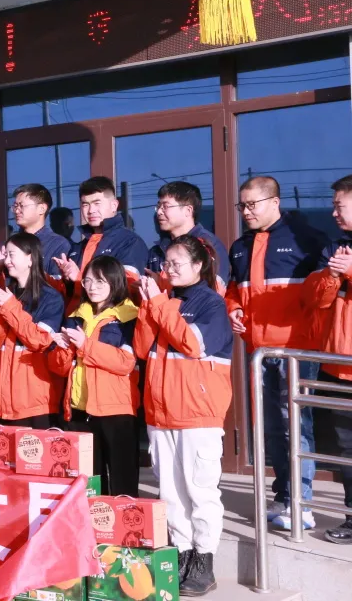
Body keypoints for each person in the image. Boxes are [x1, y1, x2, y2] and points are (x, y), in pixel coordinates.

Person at [227, 175, 329, 531]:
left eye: (252, 204)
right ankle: (284, 496)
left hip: (296, 349)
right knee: (271, 429)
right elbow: (233, 290)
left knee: (296, 426)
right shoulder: (240, 246)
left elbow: (323, 293)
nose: (246, 212)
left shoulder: (306, 240)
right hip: (258, 350)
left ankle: (302, 502)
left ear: (275, 202)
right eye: (242, 205)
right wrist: (233, 309)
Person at [135, 235, 233, 596]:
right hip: (161, 413)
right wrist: (148, 307)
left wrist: (159, 303)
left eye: (177, 263)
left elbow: (193, 344)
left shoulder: (211, 303)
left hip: (197, 413)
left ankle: (204, 562)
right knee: (171, 492)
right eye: (166, 263)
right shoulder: (163, 300)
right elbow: (142, 348)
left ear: (198, 266)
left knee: (199, 491)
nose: (169, 269)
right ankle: (182, 553)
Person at [49, 255, 140, 496]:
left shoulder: (129, 317)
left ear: (115, 281)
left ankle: (122, 520)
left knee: (122, 480)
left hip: (116, 408)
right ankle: (93, 518)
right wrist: (62, 348)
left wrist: (85, 345)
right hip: (79, 406)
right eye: (88, 281)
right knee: (91, 480)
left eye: (100, 281)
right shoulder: (76, 316)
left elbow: (125, 362)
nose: (92, 287)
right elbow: (59, 368)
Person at [304, 174, 352, 543]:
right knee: (347, 448)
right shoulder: (336, 248)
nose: (334, 212)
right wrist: (333, 276)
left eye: (340, 205)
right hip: (338, 365)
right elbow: (316, 300)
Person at [0, 233, 65, 429]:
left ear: (30, 258)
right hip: (1, 402)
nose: (7, 261)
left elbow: (38, 340)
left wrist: (10, 307)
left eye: (12, 255)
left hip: (35, 402)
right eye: (6, 255)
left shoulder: (50, 298)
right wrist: (0, 311)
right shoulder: (6, 294)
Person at [54, 176, 148, 311]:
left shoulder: (129, 242)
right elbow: (69, 296)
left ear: (114, 205)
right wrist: (67, 280)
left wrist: (78, 278)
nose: (91, 210)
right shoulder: (78, 247)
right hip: (76, 319)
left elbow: (126, 287)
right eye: (85, 204)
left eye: (97, 203)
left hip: (111, 321)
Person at [148, 181, 230, 292]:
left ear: (188, 210)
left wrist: (161, 284)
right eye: (158, 206)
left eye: (166, 206)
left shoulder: (208, 245)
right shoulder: (157, 250)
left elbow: (212, 293)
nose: (159, 212)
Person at [9, 184, 72, 280]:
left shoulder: (58, 244)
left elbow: (56, 282)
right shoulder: (12, 242)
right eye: (15, 206)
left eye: (22, 206)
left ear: (42, 209)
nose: (17, 211)